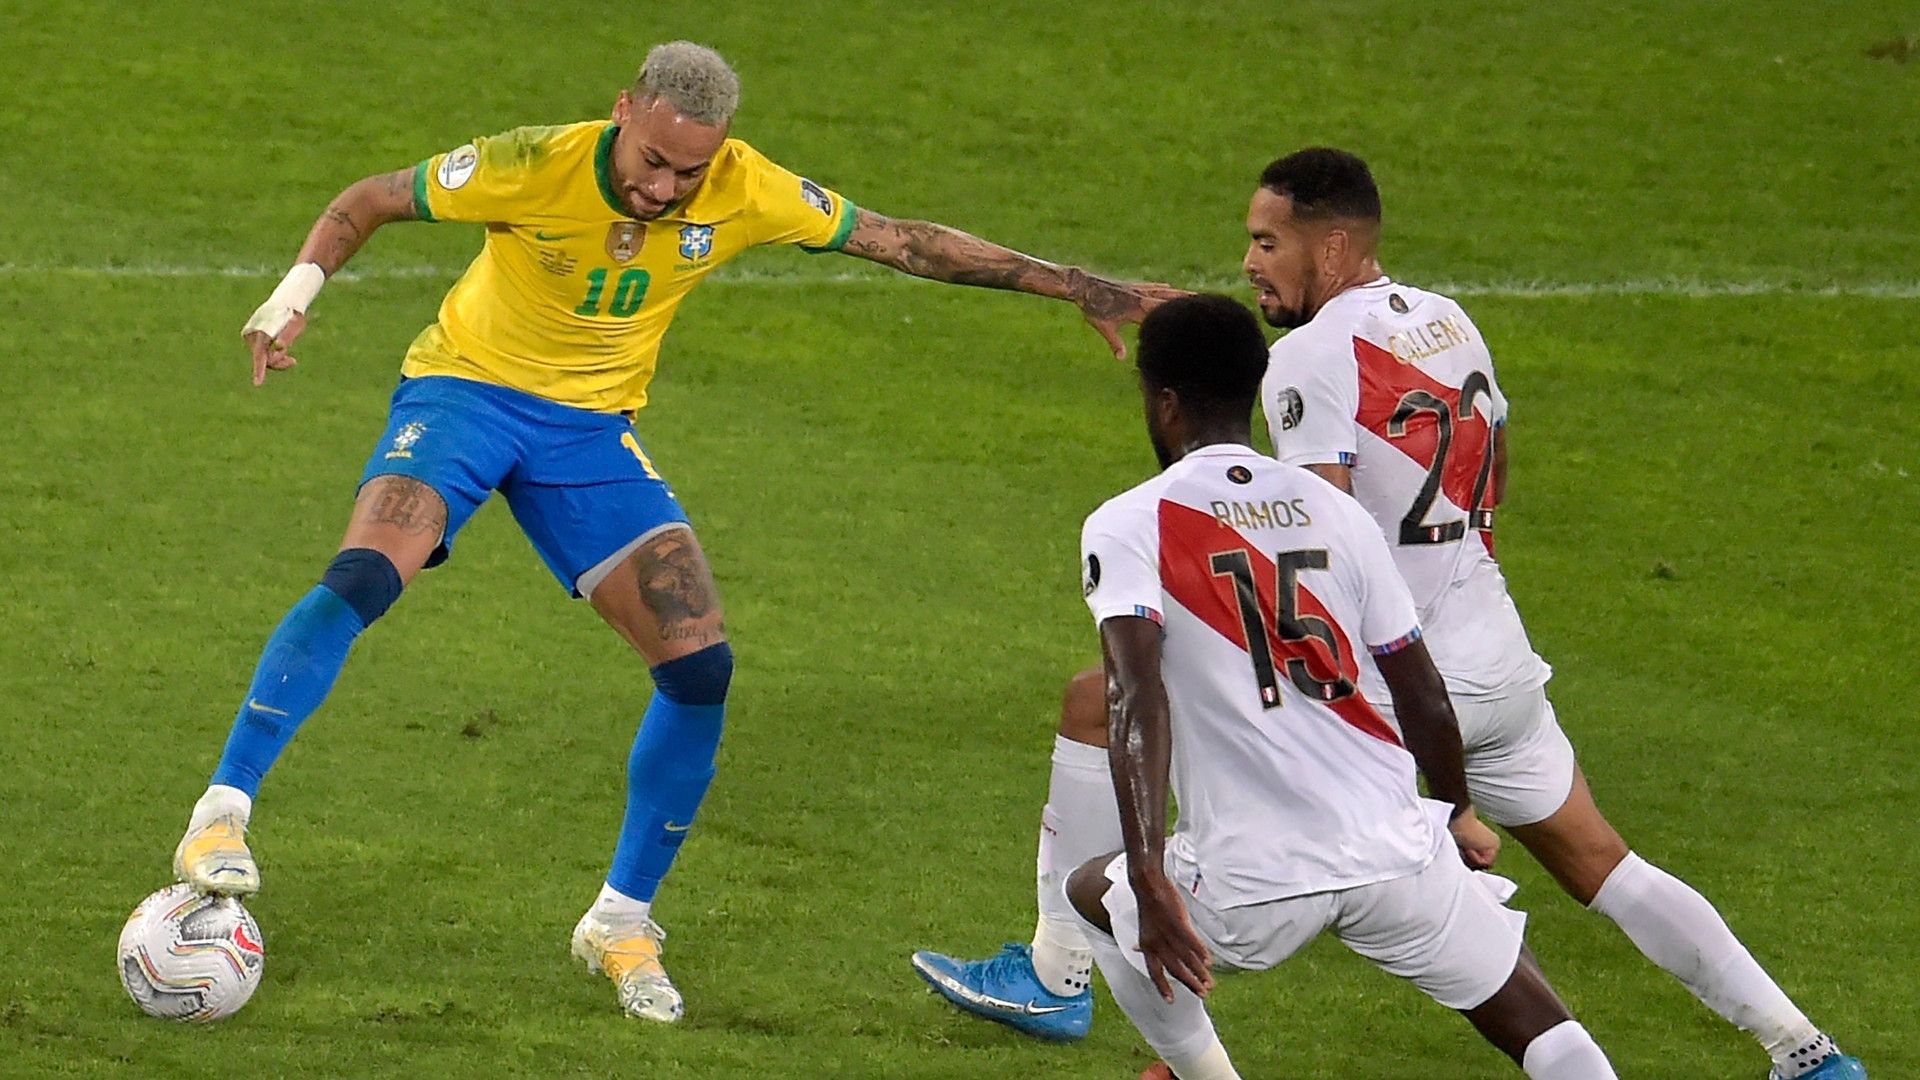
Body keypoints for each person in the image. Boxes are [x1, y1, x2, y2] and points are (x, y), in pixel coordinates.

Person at [172, 40, 1179, 1024]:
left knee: (701, 666)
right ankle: (220, 813)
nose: (665, 189)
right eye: (653, 162)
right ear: (623, 114)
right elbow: (370, 198)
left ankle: (621, 922)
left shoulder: (745, 187)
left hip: (591, 438)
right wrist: (292, 296)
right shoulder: (533, 161)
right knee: (364, 573)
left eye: (689, 172)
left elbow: (902, 240)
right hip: (466, 395)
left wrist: (1074, 283)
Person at [915, 150, 1865, 1080]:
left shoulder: (1308, 358)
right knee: (1605, 865)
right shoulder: (1448, 322)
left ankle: (1065, 974)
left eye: (1266, 242)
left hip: (1396, 677)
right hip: (1492, 647)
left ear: (1330, 251)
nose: (1250, 263)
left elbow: (1306, 528)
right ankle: (1803, 1047)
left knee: (1120, 714)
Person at [1062, 293, 1618, 1078]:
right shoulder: (1337, 512)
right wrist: (1455, 812)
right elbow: (1421, 690)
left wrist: (1150, 878)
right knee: (1545, 1027)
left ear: (1163, 401)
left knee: (1091, 890)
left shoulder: (1129, 521)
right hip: (1394, 849)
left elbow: (1134, 697)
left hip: (1253, 880)